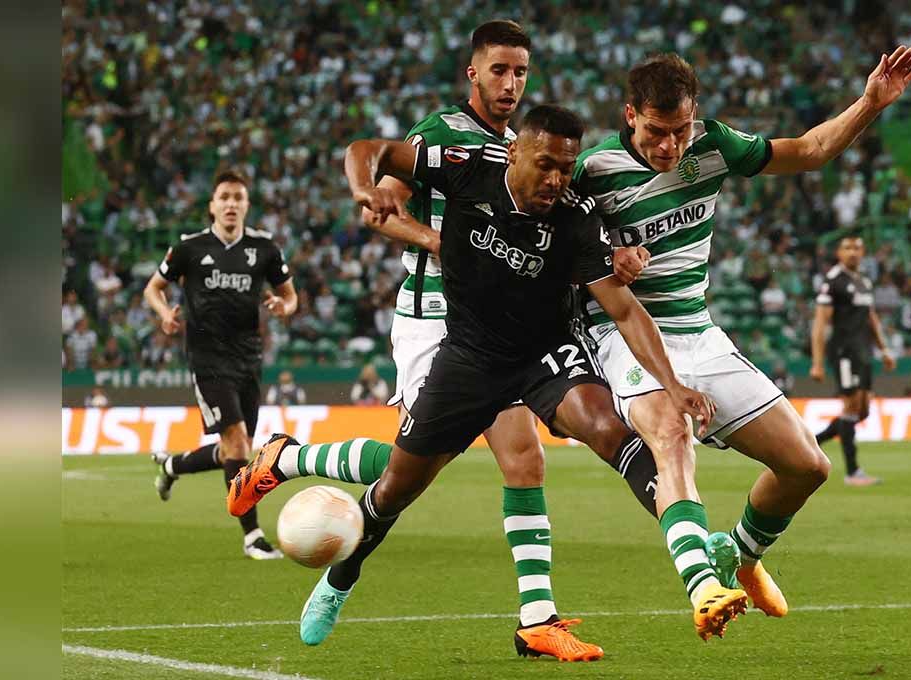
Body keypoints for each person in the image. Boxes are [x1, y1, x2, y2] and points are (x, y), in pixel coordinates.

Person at [230, 105, 733, 651]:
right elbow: (365, 151)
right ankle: (317, 523)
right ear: (514, 152)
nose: (556, 180)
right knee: (400, 482)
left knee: (602, 435)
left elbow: (625, 310)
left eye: (565, 168)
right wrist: (362, 190)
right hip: (469, 356)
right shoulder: (467, 164)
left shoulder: (575, 213)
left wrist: (672, 385)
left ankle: (673, 572)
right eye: (545, 165)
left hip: (545, 351)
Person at [271, 21, 662, 659]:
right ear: (473, 74)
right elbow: (385, 208)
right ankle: (319, 523)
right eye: (500, 71)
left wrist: (617, 253)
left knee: (522, 459)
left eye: (521, 73)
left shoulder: (526, 148)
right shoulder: (442, 137)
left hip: (501, 328)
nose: (511, 84)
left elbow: (569, 232)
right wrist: (438, 240)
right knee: (403, 474)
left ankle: (537, 617)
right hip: (434, 317)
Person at [570, 48, 911, 615]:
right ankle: (703, 584)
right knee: (670, 430)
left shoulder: (712, 145)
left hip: (697, 331)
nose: (671, 147)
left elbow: (808, 151)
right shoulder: (592, 170)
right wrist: (605, 253)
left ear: (695, 115)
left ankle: (740, 556)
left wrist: (870, 103)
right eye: (658, 132)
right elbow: (552, 240)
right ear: (630, 114)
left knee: (808, 465)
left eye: (680, 130)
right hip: (622, 332)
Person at [145, 169, 297, 559]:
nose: (231, 204)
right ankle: (253, 537)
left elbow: (290, 296)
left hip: (248, 357)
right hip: (207, 357)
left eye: (238, 197)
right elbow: (153, 288)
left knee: (236, 448)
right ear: (212, 205)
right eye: (224, 197)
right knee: (237, 442)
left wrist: (284, 306)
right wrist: (164, 314)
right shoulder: (190, 248)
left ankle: (173, 466)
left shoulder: (264, 249)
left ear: (247, 205)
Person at [811, 236, 897, 487]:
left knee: (863, 411)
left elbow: (870, 318)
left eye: (857, 248)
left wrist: (884, 349)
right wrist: (817, 362)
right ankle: (853, 473)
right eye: (847, 248)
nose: (853, 253)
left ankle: (810, 444)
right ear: (839, 252)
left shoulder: (863, 282)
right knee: (850, 408)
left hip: (863, 352)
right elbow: (820, 323)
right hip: (844, 351)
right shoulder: (833, 282)